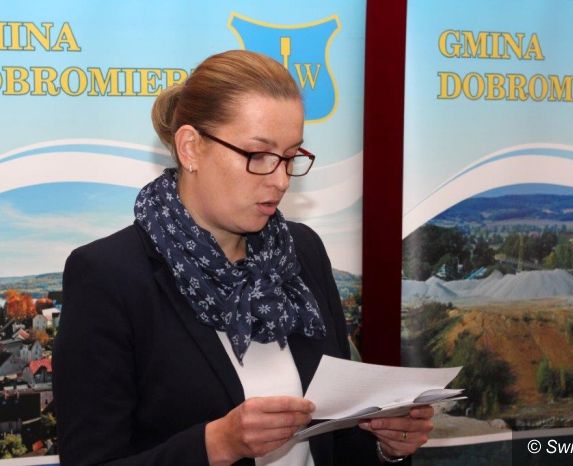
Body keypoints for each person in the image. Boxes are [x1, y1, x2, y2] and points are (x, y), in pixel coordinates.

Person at [53, 50, 434, 465]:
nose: (281, 180)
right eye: (259, 155)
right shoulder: (109, 276)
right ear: (190, 148)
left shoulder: (302, 250)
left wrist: (386, 447)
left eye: (290, 157)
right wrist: (216, 444)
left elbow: (335, 438)